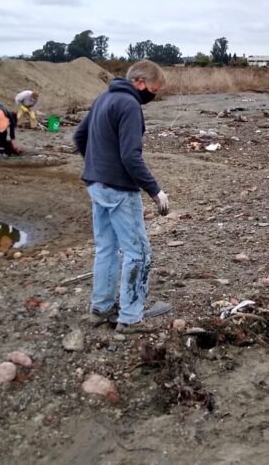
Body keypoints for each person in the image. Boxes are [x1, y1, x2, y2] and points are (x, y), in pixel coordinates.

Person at [73, 60, 171, 333]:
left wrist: (97, 166)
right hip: (119, 189)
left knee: (106, 248)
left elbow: (79, 137)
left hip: (96, 184)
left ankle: (101, 308)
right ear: (139, 82)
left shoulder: (103, 98)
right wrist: (155, 190)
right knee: (138, 253)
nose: (154, 94)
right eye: (153, 89)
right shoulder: (129, 104)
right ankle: (130, 317)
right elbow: (130, 155)